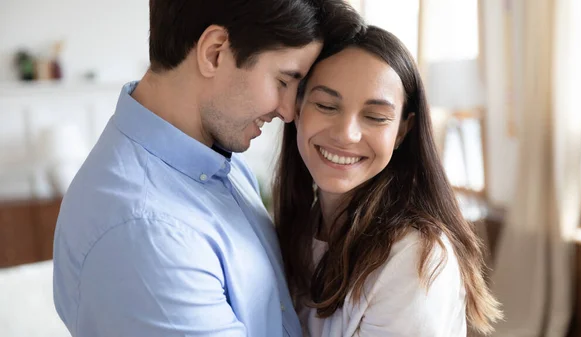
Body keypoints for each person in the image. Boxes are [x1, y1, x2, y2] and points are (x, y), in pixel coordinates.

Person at [52, 1, 363, 336]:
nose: (288, 112)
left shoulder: (218, 160)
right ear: (214, 52)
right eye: (284, 80)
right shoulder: (146, 235)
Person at [273, 25, 503, 336]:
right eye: (327, 106)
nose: (346, 134)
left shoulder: (415, 256)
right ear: (297, 109)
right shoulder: (301, 226)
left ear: (402, 132)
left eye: (376, 117)